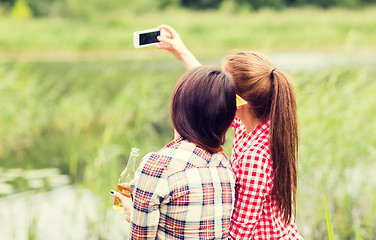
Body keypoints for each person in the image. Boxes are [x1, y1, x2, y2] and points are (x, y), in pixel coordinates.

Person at [155, 25, 303, 239]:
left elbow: (237, 236)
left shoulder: (256, 159)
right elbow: (209, 90)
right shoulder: (259, 119)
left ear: (237, 101)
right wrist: (182, 53)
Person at [112, 66, 237, 239]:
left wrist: (135, 216)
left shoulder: (158, 165)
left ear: (179, 110)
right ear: (228, 118)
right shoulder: (226, 166)